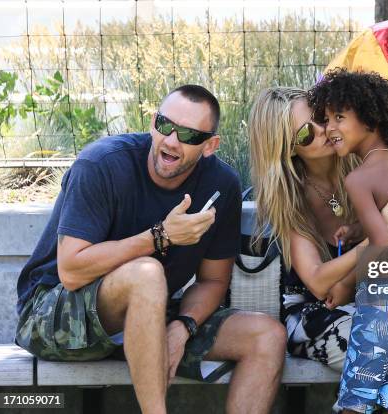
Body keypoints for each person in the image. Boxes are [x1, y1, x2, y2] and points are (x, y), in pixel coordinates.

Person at [15, 85, 287, 414]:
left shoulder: (221, 184)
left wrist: (182, 327)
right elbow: (71, 272)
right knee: (147, 272)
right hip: (53, 314)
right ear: (152, 124)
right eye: (164, 125)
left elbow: (213, 281)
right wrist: (159, 236)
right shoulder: (101, 164)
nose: (171, 141)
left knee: (267, 336)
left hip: (148, 315)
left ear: (210, 145)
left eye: (188, 135)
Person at [248, 86, 388, 373]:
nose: (323, 130)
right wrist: (378, 236)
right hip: (315, 313)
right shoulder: (291, 198)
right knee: (383, 342)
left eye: (320, 117)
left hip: (372, 295)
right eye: (305, 134)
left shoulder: (365, 161)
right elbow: (317, 282)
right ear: (287, 148)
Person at [309, 69, 388, 414]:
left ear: (370, 120)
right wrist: (357, 229)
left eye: (339, 118)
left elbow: (383, 243)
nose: (329, 129)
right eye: (326, 119)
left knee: (357, 398)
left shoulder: (358, 179)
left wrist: (344, 282)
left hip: (379, 303)